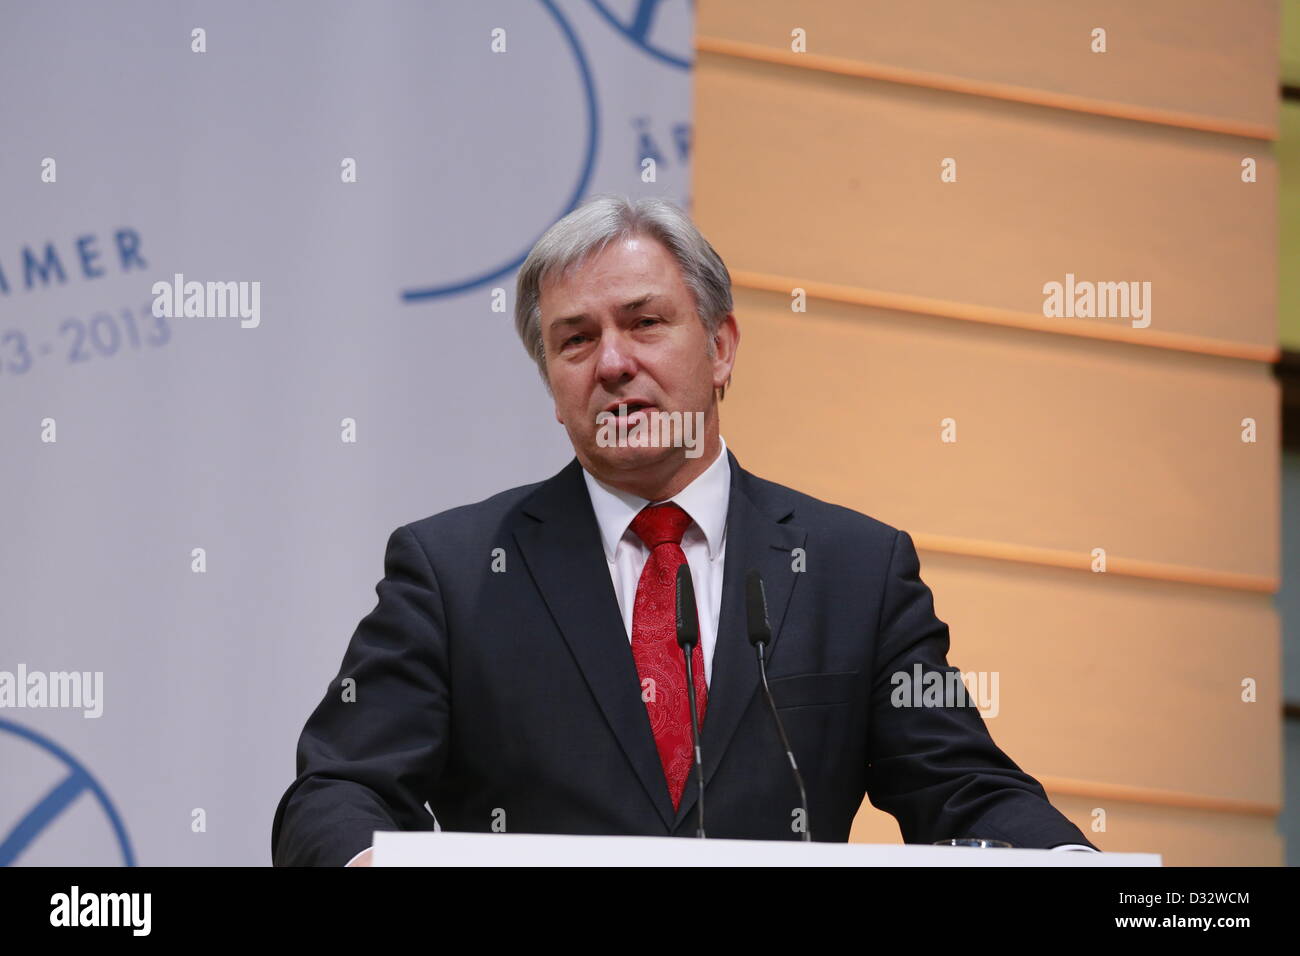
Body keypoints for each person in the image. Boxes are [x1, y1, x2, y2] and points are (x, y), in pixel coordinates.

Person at [271, 195, 1098, 866]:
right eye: (575, 340)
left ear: (723, 348)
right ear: (553, 387)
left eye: (645, 323)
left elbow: (962, 788)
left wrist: (1073, 866)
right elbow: (336, 793)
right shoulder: (453, 575)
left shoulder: (857, 570)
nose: (613, 362)